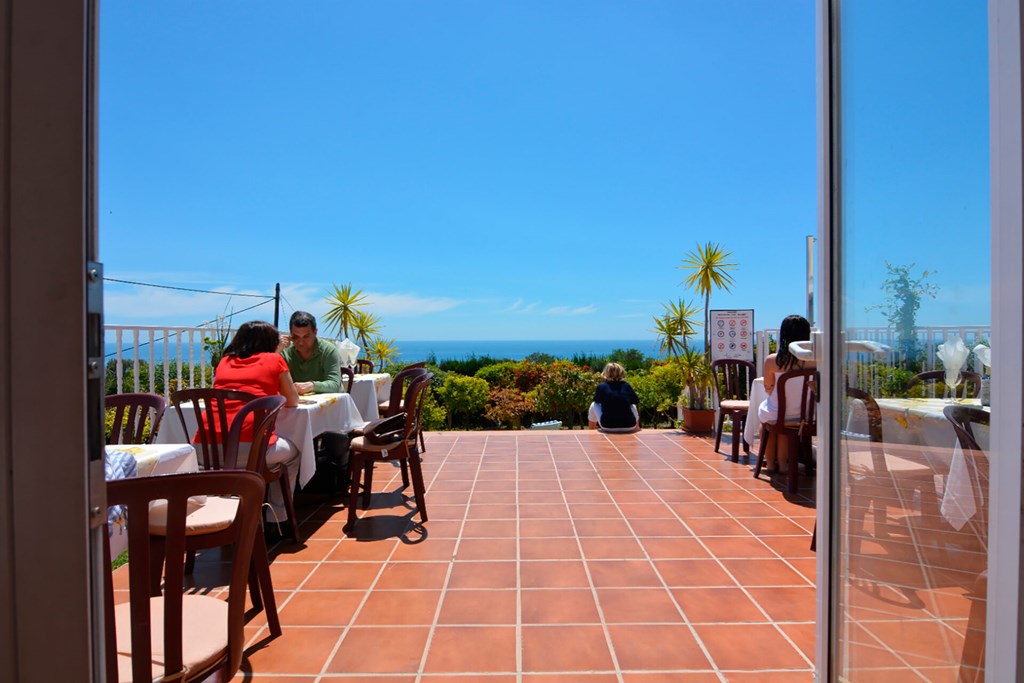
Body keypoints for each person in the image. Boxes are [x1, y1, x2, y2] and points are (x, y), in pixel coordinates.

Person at [214, 320, 301, 524]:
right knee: (295, 453)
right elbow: (292, 400)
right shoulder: (274, 360)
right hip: (252, 450)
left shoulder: (224, 361)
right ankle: (277, 519)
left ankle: (225, 515)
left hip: (208, 451)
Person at [757, 314, 815, 473]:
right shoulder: (816, 360)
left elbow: (768, 387)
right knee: (781, 422)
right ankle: (784, 464)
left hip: (779, 413)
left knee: (767, 421)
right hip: (806, 416)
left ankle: (770, 463)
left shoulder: (772, 361)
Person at [279, 310, 342, 394]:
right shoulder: (284, 351)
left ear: (315, 332)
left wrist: (311, 386)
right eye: (296, 337)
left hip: (330, 403)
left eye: (306, 337)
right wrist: (276, 351)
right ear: (290, 334)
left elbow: (335, 385)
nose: (301, 342)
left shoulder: (328, 350)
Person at [588, 362, 641, 433]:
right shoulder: (626, 385)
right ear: (621, 373)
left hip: (608, 426)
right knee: (632, 405)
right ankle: (636, 428)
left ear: (605, 373)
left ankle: (591, 431)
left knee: (593, 404)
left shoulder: (601, 386)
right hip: (629, 426)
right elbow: (636, 400)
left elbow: (596, 400)